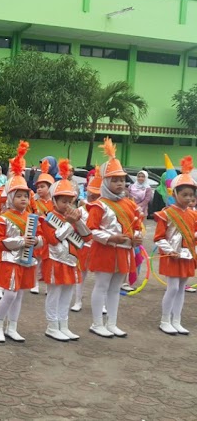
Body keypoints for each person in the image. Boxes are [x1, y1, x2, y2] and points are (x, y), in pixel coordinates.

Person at [87, 138, 143, 338]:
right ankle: (96, 323)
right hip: (105, 251)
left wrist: (137, 238)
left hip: (124, 252)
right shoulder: (98, 205)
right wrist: (112, 238)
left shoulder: (129, 204)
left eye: (122, 180)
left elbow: (137, 227)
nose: (120, 183)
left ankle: (112, 322)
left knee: (116, 288)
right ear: (106, 182)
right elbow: (91, 230)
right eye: (115, 180)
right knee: (102, 286)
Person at [0, 141, 43, 344]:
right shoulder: (3, 218)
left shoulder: (31, 217)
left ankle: (12, 327)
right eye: (18, 196)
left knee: (20, 294)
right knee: (10, 294)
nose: (22, 199)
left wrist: (35, 240)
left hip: (26, 260)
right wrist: (21, 241)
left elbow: (41, 239)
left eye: (25, 196)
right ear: (11, 197)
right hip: (9, 260)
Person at [40, 159, 90, 342]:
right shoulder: (48, 218)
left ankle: (64, 324)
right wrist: (69, 223)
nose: (68, 204)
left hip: (70, 260)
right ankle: (52, 326)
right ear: (54, 201)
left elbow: (87, 237)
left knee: (67, 293)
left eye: (71, 201)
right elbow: (53, 239)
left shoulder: (74, 216)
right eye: (63, 201)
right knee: (54, 293)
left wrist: (77, 221)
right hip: (55, 259)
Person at [154, 156, 197, 336]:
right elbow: (158, 237)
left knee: (181, 289)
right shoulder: (167, 214)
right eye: (184, 195)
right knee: (172, 287)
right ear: (174, 194)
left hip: (186, 256)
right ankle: (165, 320)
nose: (188, 198)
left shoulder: (194, 215)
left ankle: (177, 320)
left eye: (191, 195)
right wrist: (170, 250)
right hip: (172, 256)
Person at [72, 168, 102, 312]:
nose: (92, 197)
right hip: (84, 247)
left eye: (96, 195)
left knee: (101, 278)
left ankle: (101, 304)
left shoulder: (104, 211)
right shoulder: (81, 210)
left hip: (100, 247)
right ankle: (78, 301)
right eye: (91, 194)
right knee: (80, 275)